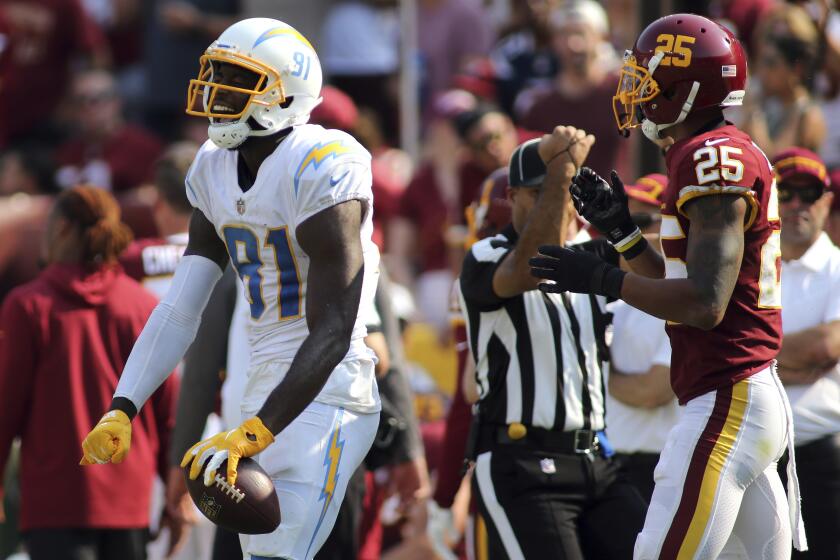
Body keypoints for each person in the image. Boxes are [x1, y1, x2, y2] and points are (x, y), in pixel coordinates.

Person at [80, 18, 382, 560]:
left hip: (328, 387)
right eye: (213, 74)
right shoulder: (212, 168)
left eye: (235, 78)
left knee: (279, 554)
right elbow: (180, 307)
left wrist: (257, 431)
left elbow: (335, 328)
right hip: (261, 385)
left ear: (284, 91)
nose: (215, 89)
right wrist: (123, 404)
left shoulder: (321, 164)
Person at [530, 14, 807, 558]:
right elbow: (680, 288)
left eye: (646, 79)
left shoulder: (710, 158)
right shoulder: (708, 152)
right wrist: (624, 237)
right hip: (743, 392)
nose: (635, 90)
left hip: (729, 398)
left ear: (685, 89)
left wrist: (603, 279)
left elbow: (703, 304)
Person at [459, 136, 647, 559]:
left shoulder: (592, 254)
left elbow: (665, 268)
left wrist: (622, 227)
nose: (558, 201)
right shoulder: (485, 257)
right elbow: (533, 266)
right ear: (512, 197)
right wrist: (562, 171)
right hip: (523, 464)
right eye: (539, 191)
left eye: (563, 191)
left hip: (599, 459)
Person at [0, 185, 180, 560]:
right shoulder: (143, 306)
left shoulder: (28, 307)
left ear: (62, 229)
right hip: (131, 503)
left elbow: (6, 407)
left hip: (54, 504)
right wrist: (177, 497)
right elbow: (169, 412)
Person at [771, 148, 840, 560]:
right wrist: (786, 361)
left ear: (827, 201)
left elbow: (826, 347)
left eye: (809, 192)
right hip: (758, 459)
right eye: (786, 192)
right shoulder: (750, 265)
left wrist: (753, 358)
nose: (797, 203)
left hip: (823, 457)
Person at [603, 173, 678, 504]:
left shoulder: (683, 298)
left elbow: (654, 391)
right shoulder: (616, 301)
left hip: (663, 465)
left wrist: (599, 374)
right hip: (614, 464)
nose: (629, 234)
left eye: (643, 221)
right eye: (626, 222)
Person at [55, 69, 163, 193]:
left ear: (117, 102)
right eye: (80, 101)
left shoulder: (145, 147)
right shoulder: (68, 152)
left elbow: (154, 197)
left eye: (96, 100)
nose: (88, 108)